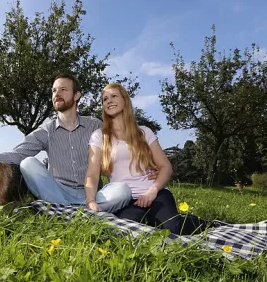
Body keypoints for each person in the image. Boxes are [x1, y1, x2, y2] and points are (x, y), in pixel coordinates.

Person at [0, 73, 136, 213]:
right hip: (57, 192)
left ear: (76, 95)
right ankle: (78, 211)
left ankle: (66, 212)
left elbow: (120, 149)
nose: (57, 93)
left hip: (93, 195)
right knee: (27, 163)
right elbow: (17, 154)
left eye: (63, 89)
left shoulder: (94, 125)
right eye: (54, 90)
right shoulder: (46, 130)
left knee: (122, 190)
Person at [84, 83, 208, 235]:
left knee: (174, 228)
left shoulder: (144, 132)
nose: (109, 100)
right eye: (105, 99)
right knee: (129, 230)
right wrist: (90, 201)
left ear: (125, 100)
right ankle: (155, 220)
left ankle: (203, 223)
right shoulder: (99, 136)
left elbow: (165, 167)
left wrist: (152, 191)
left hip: (154, 194)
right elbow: (92, 174)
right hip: (126, 200)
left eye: (114, 96)